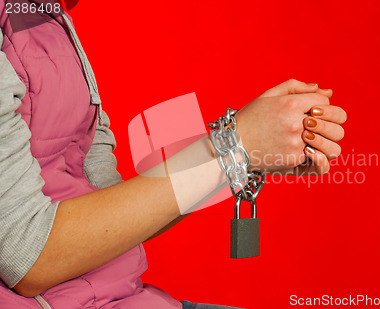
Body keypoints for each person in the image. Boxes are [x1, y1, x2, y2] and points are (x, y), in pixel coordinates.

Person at [0, 3, 346, 309]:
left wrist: (248, 155)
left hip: (127, 296)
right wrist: (232, 144)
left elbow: (110, 211)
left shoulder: (44, 18)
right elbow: (28, 257)